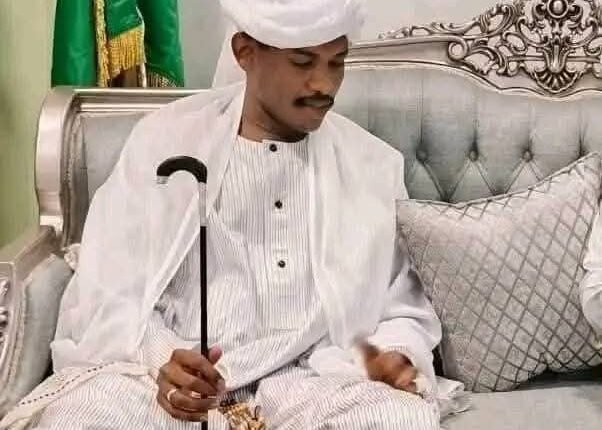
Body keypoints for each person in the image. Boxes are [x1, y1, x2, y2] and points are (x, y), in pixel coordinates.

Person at [1, 1, 465, 429]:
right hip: (175, 383)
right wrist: (165, 360)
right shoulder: (164, 140)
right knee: (80, 416)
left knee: (398, 418)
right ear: (245, 52)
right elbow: (109, 287)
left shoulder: (371, 165)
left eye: (336, 62)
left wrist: (394, 355)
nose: (324, 85)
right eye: (303, 62)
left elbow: (401, 304)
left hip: (310, 384)